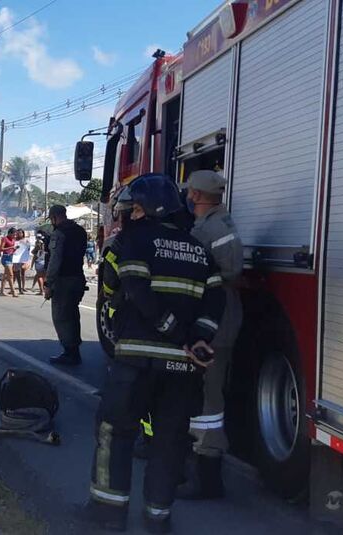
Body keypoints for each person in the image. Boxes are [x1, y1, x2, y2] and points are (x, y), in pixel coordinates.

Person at [86, 174, 225, 533]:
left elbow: (126, 288)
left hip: (135, 361)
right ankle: (158, 519)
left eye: (133, 208)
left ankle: (108, 515)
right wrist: (197, 340)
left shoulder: (131, 241)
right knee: (169, 444)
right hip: (183, 368)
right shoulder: (198, 249)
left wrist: (173, 331)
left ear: (147, 209)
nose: (128, 215)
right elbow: (215, 301)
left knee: (115, 433)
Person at [178, 170, 243, 500]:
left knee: (209, 400)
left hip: (215, 325)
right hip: (213, 320)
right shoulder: (212, 224)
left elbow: (227, 271)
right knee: (202, 395)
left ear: (196, 195)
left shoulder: (215, 228)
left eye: (189, 192)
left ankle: (208, 479)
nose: (187, 197)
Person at [45, 207, 88, 365]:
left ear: (56, 217)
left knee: (62, 317)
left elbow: (55, 260)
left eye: (51, 219)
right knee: (73, 315)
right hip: (78, 277)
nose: (51, 222)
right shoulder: (80, 231)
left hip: (64, 280)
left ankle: (70, 352)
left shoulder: (59, 234)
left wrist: (48, 283)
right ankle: (73, 349)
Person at [0, 227, 18, 297]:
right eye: (14, 234)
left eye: (16, 235)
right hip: (5, 258)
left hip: (11, 257)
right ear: (10, 233)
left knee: (6, 276)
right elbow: (1, 249)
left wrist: (15, 249)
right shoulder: (5, 238)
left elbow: (12, 250)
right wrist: (11, 248)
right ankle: (13, 292)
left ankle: (2, 291)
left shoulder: (13, 239)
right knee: (11, 275)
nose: (15, 236)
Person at [13, 229, 33, 295]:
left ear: (23, 233)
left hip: (23, 259)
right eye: (18, 233)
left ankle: (23, 287)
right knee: (16, 274)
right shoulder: (15, 240)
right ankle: (18, 288)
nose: (19, 234)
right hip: (16, 259)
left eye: (20, 233)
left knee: (23, 273)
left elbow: (28, 248)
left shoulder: (25, 240)